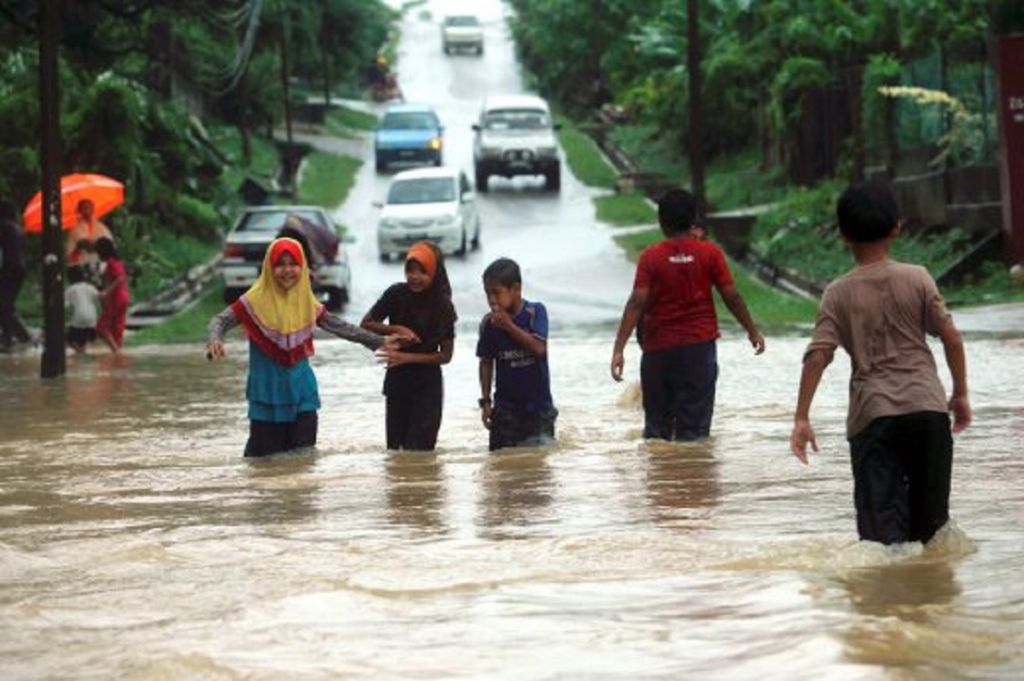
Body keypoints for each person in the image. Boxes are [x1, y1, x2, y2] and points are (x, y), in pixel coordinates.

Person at [790, 182, 971, 546]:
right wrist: (960, 394)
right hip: (928, 411)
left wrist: (802, 417)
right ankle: (930, 599)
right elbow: (951, 338)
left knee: (880, 538)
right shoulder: (918, 277)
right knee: (933, 531)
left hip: (874, 417)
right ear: (896, 228)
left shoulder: (838, 293)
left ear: (842, 235)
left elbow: (818, 356)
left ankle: (886, 599)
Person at [207, 237, 391, 457]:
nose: (287, 271)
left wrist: (380, 342)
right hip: (266, 398)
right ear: (269, 267)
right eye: (280, 264)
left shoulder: (308, 304)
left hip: (303, 397)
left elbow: (342, 328)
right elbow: (220, 320)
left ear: (302, 267)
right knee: (261, 467)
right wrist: (215, 339)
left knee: (303, 464)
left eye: (293, 264)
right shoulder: (251, 303)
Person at [611, 188, 765, 441]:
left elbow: (636, 302)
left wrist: (619, 349)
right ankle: (694, 479)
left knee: (656, 433)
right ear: (693, 219)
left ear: (661, 221)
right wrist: (752, 330)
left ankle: (662, 479)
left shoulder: (650, 257)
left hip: (658, 354)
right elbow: (732, 296)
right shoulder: (710, 254)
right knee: (694, 435)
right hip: (698, 353)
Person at [361, 241, 457, 451]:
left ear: (434, 272)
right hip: (397, 381)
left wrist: (408, 358)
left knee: (420, 456)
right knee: (395, 454)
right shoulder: (396, 294)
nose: (414, 277)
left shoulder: (443, 305)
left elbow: (446, 356)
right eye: (410, 270)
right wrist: (397, 329)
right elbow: (366, 324)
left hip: (427, 387)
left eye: (422, 271)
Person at [476, 257, 558, 451]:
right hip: (505, 411)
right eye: (487, 293)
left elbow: (538, 348)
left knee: (537, 469)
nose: (491, 299)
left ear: (516, 289)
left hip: (539, 410)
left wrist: (508, 326)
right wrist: (486, 402)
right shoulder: (489, 324)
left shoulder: (535, 312)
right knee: (501, 467)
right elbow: (486, 362)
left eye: (496, 292)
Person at [0, 199, 31, 352]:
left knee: (4, 306)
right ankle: (8, 338)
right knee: (6, 305)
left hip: (9, 268)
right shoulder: (18, 228)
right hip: (19, 269)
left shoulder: (4, 226)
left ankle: (22, 337)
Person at [93, 237, 130, 353]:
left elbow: (119, 278)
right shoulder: (118, 262)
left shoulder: (111, 263)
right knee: (116, 329)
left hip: (117, 297)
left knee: (101, 327)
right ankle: (118, 356)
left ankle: (116, 352)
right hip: (124, 297)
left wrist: (106, 292)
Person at [66, 199, 113, 273]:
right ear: (79, 210)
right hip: (80, 267)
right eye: (84, 207)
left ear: (93, 208)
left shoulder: (101, 227)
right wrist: (99, 245)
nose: (86, 208)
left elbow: (109, 245)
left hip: (99, 266)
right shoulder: (75, 228)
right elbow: (86, 245)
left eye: (88, 206)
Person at [64, 265, 100, 353]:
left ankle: (80, 352)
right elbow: (99, 297)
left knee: (67, 340)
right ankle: (83, 350)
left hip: (78, 318)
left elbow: (66, 306)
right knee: (85, 339)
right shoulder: (90, 287)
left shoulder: (70, 289)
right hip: (92, 318)